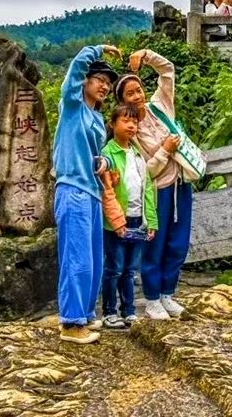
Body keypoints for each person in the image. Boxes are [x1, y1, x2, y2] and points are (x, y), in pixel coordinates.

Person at [115, 48, 190, 321]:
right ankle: (152, 298)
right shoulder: (129, 130)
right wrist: (165, 150)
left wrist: (145, 55)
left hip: (180, 183)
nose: (137, 96)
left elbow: (168, 70)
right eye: (130, 94)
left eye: (138, 90)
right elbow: (142, 170)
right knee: (154, 244)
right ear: (123, 102)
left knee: (178, 242)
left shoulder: (159, 107)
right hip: (156, 190)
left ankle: (168, 294)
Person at [52, 44, 120, 344]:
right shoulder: (72, 106)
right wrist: (96, 50)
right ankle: (71, 322)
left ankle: (85, 314)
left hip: (91, 193)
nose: (105, 85)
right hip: (72, 189)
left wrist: (103, 161)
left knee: (93, 260)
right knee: (76, 258)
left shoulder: (95, 119)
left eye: (108, 82)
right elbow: (75, 71)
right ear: (85, 81)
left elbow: (98, 155)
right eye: (99, 79)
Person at [98, 105, 157, 329]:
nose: (132, 125)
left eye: (134, 122)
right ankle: (109, 312)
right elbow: (107, 191)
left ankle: (129, 311)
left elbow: (148, 188)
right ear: (113, 124)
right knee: (114, 267)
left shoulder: (138, 153)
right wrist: (116, 221)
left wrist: (151, 220)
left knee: (131, 269)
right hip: (116, 223)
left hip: (137, 219)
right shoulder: (108, 154)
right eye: (126, 121)